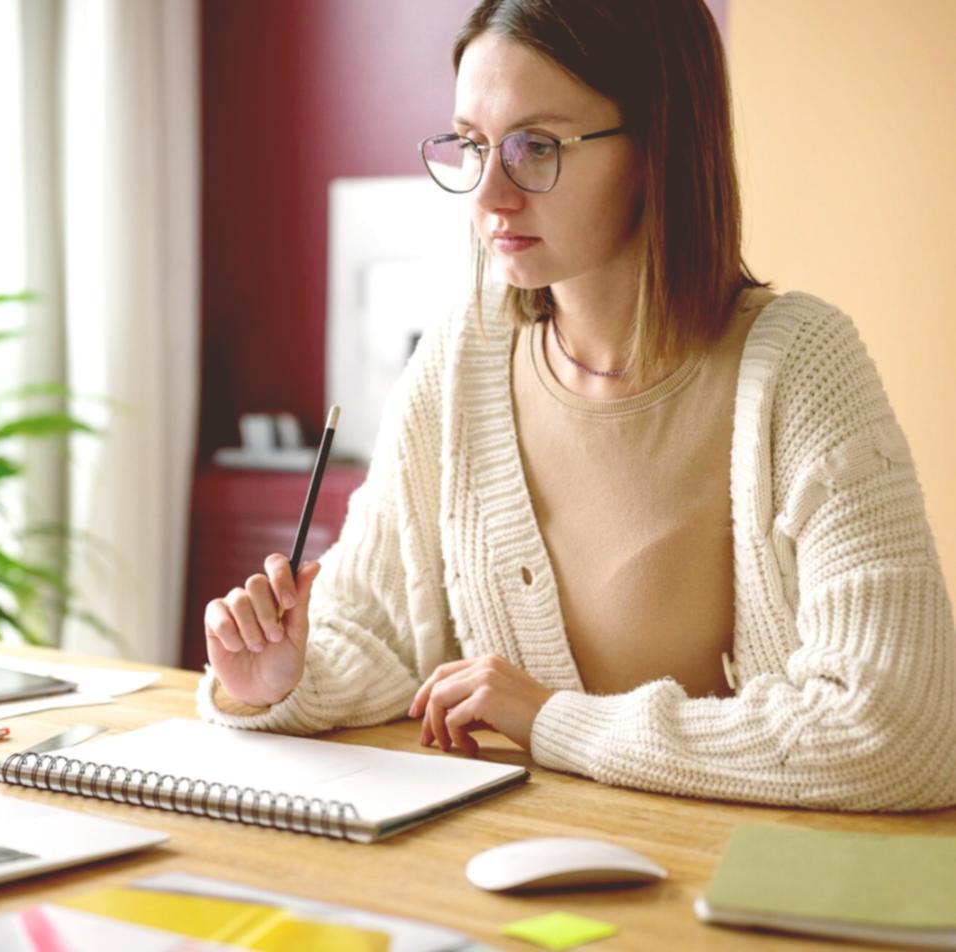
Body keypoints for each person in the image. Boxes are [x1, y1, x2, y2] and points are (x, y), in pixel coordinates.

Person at [197, 0, 956, 811]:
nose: (489, 193)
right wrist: (282, 678)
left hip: (733, 897)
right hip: (517, 885)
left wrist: (558, 721)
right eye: (475, 144)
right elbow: (372, 628)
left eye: (536, 146)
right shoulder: (462, 357)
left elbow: (899, 729)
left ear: (659, 143)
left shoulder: (803, 367)